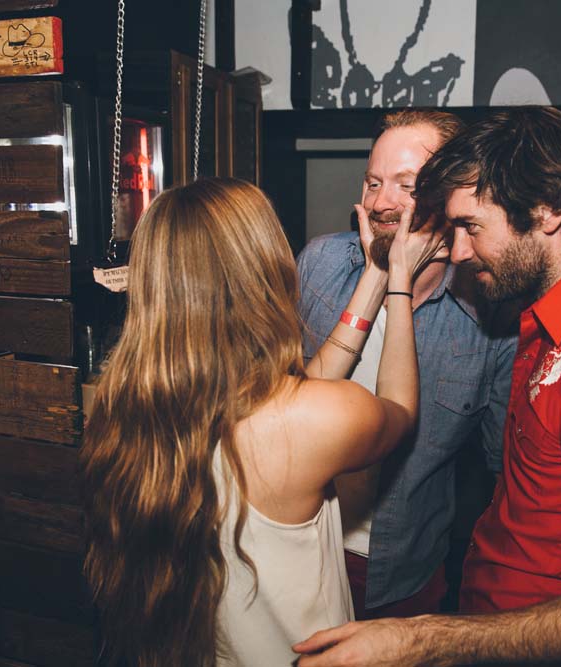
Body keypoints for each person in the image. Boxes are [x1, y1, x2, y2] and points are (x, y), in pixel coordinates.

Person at [295, 107, 561, 667]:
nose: (457, 251)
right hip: (489, 620)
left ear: (549, 211)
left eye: (471, 227)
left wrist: (420, 638)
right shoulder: (545, 318)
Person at [79, 177, 445, 666]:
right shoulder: (313, 416)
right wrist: (399, 281)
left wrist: (373, 276)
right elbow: (399, 409)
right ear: (264, 270)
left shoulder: (118, 407)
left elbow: (299, 392)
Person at [296, 109, 517, 618]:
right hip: (301, 550)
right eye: (372, 182)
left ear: (455, 193)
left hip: (404, 580)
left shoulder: (488, 315)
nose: (380, 202)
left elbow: (502, 472)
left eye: (405, 184)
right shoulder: (319, 265)